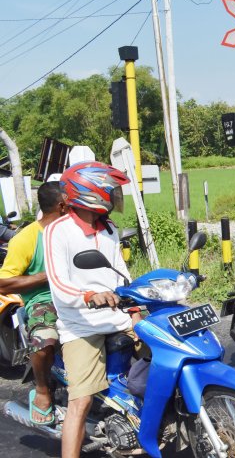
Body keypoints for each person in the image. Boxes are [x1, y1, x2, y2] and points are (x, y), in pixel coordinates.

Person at [43, 161, 138, 458]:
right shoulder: (58, 230)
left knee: (166, 351)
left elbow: (122, 273)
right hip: (80, 325)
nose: (115, 198)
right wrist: (89, 295)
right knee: (80, 401)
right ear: (90, 193)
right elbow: (58, 283)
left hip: (117, 316)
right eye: (111, 192)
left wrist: (135, 305)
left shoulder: (109, 227)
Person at [0, 181, 67, 425]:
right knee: (44, 339)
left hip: (79, 295)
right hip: (45, 299)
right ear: (62, 206)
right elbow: (3, 283)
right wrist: (46, 276)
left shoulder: (76, 232)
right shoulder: (26, 238)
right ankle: (41, 391)